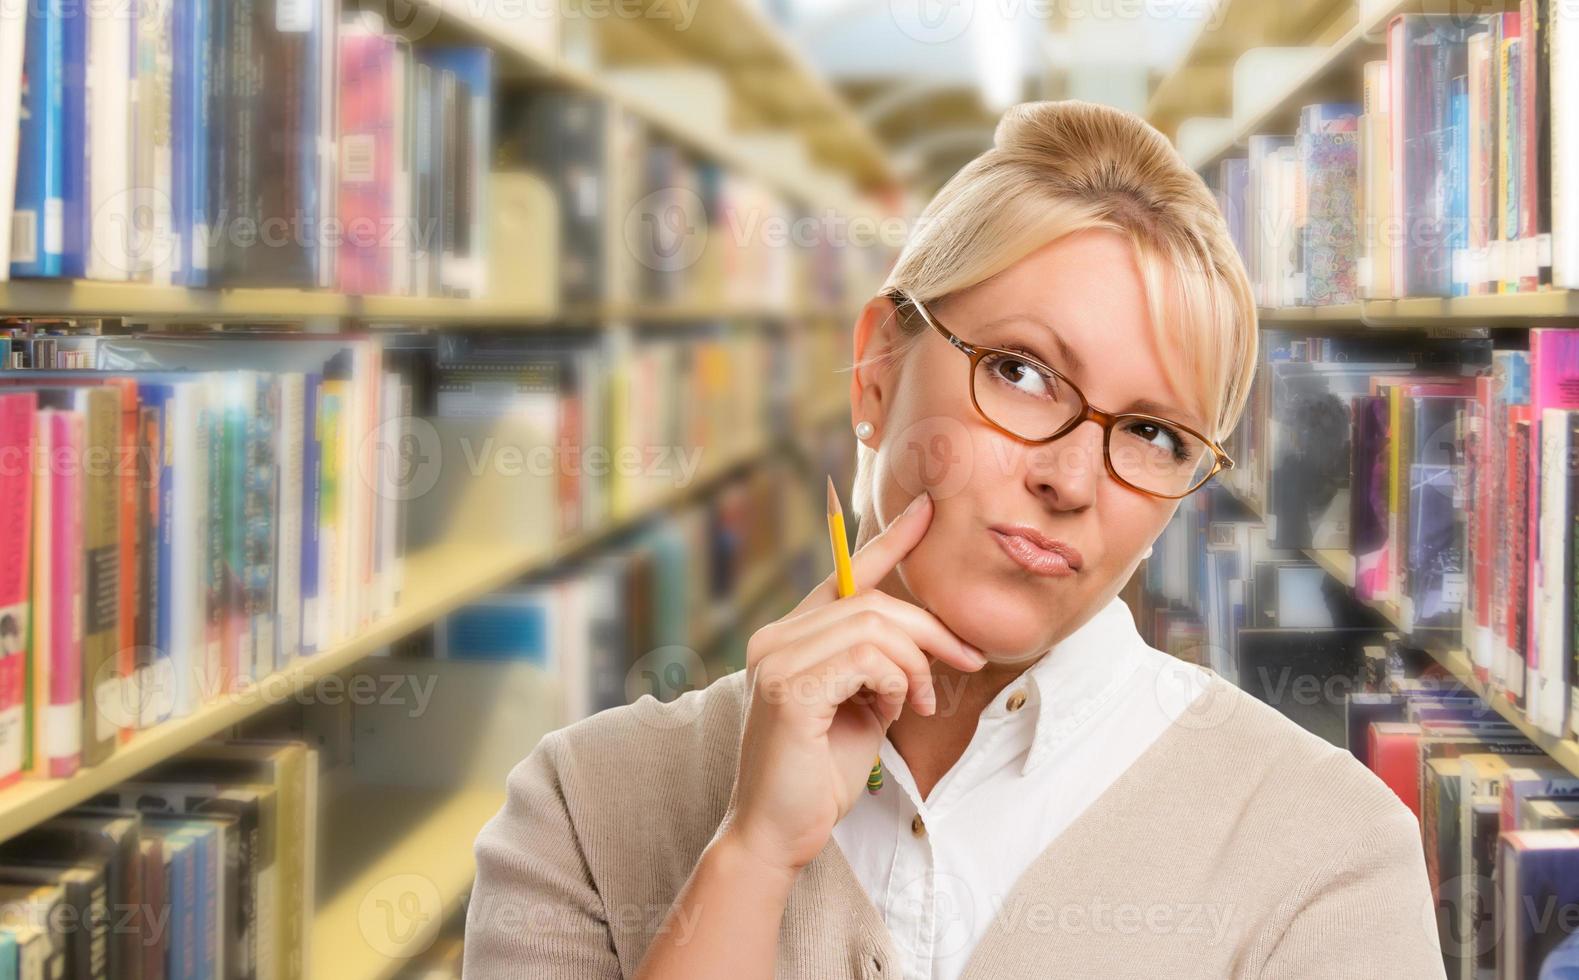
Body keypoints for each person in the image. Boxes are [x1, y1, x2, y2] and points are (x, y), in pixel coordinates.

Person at [462, 99, 1444, 979]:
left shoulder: (1330, 853)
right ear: (876, 367)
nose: (1067, 477)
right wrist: (751, 853)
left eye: (1153, 432)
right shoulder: (586, 807)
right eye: (1021, 372)